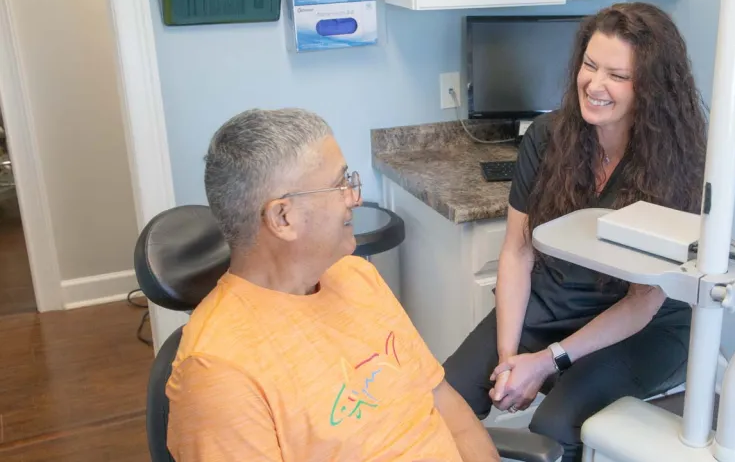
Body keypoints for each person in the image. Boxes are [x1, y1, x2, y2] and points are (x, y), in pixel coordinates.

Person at [443, 2, 708, 461]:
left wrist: (546, 361)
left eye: (617, 75)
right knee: (447, 399)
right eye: (589, 65)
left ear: (650, 88)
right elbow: (517, 253)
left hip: (640, 324)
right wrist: (509, 358)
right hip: (555, 299)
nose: (594, 84)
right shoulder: (548, 137)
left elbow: (642, 300)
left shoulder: (680, 166)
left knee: (554, 427)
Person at [166, 108, 499, 462]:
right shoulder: (219, 370)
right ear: (283, 217)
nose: (354, 197)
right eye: (340, 184)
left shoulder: (357, 276)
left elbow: (443, 403)